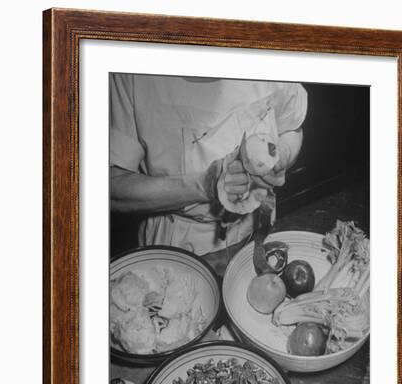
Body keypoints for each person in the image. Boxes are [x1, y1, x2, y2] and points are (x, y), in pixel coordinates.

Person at [110, 74, 307, 267]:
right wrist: (203, 186)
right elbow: (111, 189)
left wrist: (283, 154)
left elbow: (291, 128)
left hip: (259, 230)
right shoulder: (130, 75)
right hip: (181, 248)